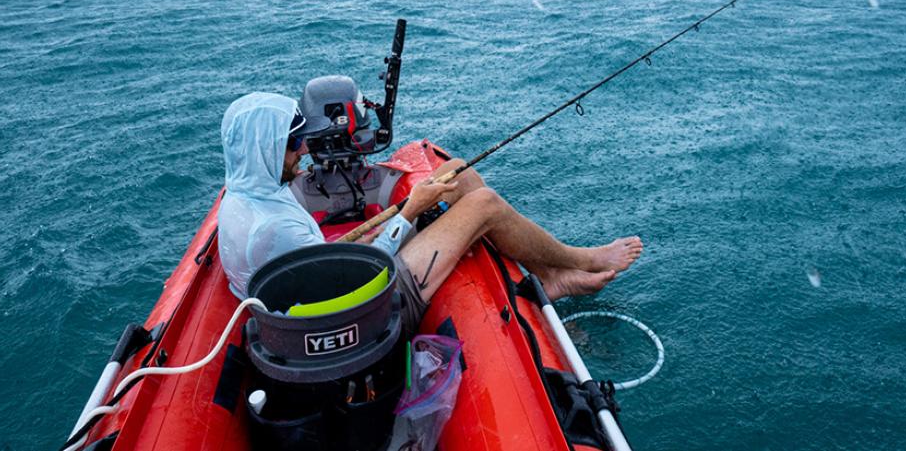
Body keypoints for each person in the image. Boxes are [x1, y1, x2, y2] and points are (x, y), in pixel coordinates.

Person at [217, 92, 643, 333]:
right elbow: (363, 274)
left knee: (457, 173)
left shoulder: (247, 196)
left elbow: (321, 261)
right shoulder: (276, 227)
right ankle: (579, 260)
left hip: (331, 282)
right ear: (268, 148)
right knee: (484, 204)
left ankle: (548, 275)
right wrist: (409, 213)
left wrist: (406, 214)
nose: (305, 148)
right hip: (365, 306)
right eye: (294, 143)